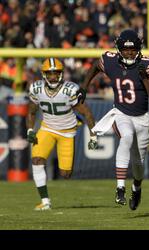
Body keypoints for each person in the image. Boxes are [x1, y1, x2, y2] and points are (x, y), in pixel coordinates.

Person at [78, 29, 149, 211]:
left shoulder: (147, 64)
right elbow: (95, 67)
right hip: (121, 113)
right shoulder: (110, 60)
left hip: (142, 118)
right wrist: (84, 87)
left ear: (138, 48)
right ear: (119, 48)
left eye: (133, 49)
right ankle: (120, 188)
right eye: (125, 49)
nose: (129, 53)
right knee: (127, 137)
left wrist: (145, 78)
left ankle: (136, 188)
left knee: (138, 164)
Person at [27, 58, 98, 210]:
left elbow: (88, 114)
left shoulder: (70, 90)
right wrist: (30, 130)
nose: (53, 77)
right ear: (43, 74)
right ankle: (45, 202)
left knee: (65, 173)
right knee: (37, 160)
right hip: (47, 129)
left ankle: (74, 119)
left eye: (56, 73)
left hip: (67, 132)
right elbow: (32, 112)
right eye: (50, 73)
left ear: (61, 74)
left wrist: (93, 136)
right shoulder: (36, 89)